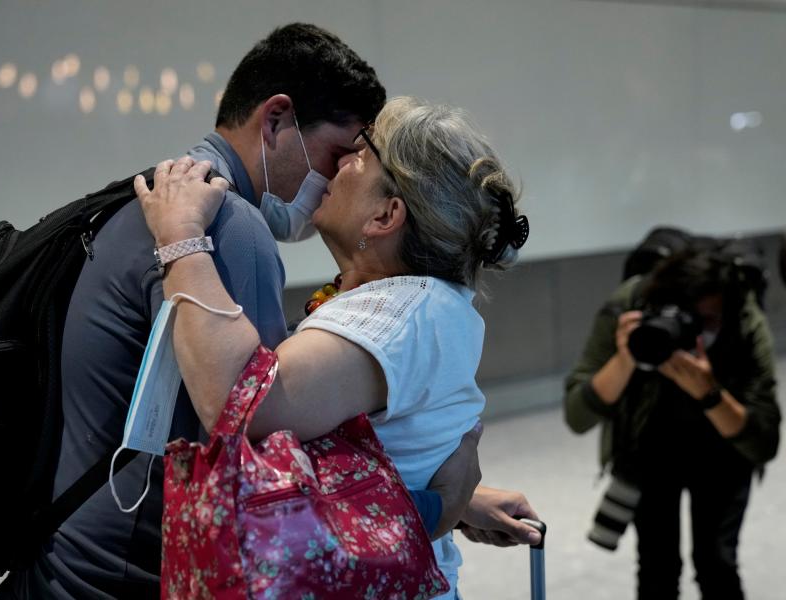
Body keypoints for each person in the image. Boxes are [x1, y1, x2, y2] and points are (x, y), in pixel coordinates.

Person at [0, 25, 522, 600]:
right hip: (122, 572)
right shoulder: (227, 223)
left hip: (77, 556)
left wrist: (446, 499)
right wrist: (438, 503)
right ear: (275, 121)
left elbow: (264, 421)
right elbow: (256, 434)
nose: (333, 175)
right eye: (339, 153)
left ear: (387, 215)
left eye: (355, 160)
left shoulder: (161, 200)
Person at [135, 95, 535, 597]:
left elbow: (244, 398)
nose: (338, 163)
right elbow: (382, 452)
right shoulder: (425, 304)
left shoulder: (400, 310)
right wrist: (449, 505)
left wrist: (181, 236)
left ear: (386, 215)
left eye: (360, 157)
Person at [564, 249, 780, 599]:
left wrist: (709, 394)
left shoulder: (743, 317)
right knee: (656, 567)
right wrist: (626, 358)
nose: (688, 333)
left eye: (705, 322)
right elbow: (577, 416)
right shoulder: (631, 307)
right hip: (651, 447)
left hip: (722, 451)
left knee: (716, 563)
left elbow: (764, 442)